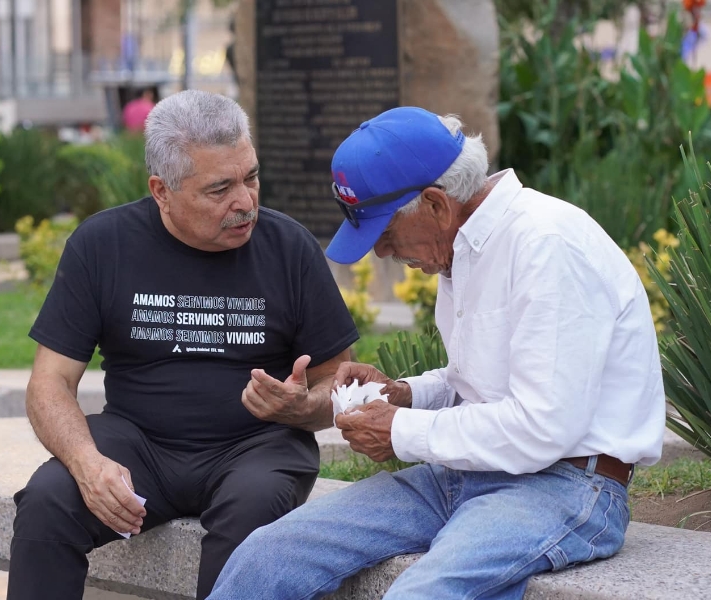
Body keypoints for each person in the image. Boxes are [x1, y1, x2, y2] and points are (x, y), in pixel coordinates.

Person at [208, 107, 665, 599]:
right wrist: (402, 395)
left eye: (384, 234)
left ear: (435, 204)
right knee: (268, 554)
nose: (382, 253)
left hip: (569, 488)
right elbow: (477, 383)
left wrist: (401, 431)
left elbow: (544, 426)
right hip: (469, 472)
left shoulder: (545, 244)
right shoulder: (462, 247)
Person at [6, 90, 358, 600]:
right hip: (139, 443)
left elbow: (337, 384)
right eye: (219, 188)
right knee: (46, 501)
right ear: (161, 190)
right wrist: (86, 463)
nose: (245, 202)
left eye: (251, 177)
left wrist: (303, 405)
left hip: (257, 446)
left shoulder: (289, 247)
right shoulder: (102, 245)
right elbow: (49, 382)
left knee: (252, 514)